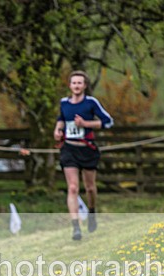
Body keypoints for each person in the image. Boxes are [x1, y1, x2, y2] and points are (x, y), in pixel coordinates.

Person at [54, 70, 114, 239]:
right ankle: (76, 227)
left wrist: (85, 123)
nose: (77, 86)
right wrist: (57, 130)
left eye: (79, 83)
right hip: (69, 149)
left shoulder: (91, 103)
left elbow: (108, 122)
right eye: (74, 83)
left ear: (85, 85)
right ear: (69, 85)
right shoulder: (64, 103)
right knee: (73, 187)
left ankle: (92, 212)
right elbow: (61, 119)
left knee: (90, 188)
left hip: (87, 149)